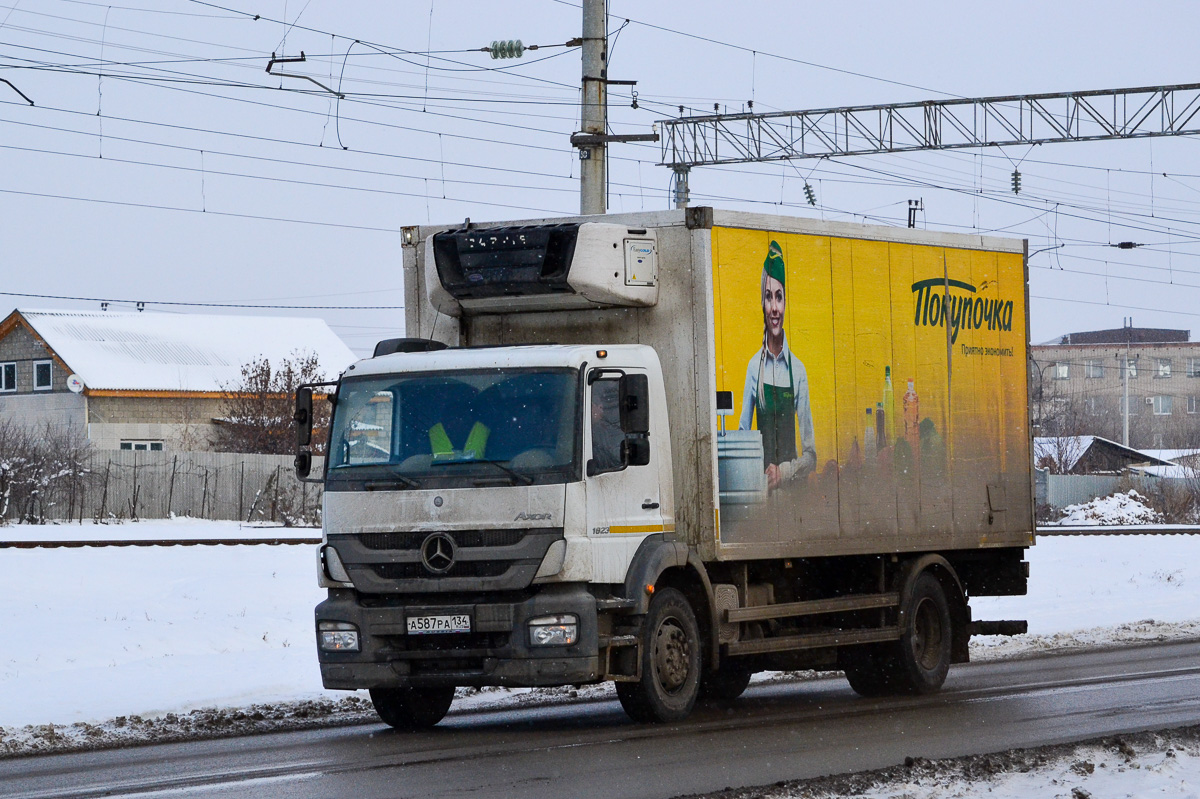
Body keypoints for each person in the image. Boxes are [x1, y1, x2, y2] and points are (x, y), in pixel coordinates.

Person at [738, 240, 816, 490]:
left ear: (785, 305)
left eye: (779, 298)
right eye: (768, 297)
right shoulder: (754, 368)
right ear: (762, 304)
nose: (774, 307)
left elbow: (811, 456)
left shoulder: (798, 371)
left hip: (794, 496)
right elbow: (742, 438)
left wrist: (784, 472)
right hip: (760, 498)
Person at [590, 379, 625, 471]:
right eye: (599, 407)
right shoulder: (590, 431)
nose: (602, 411)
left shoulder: (602, 429)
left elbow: (609, 456)